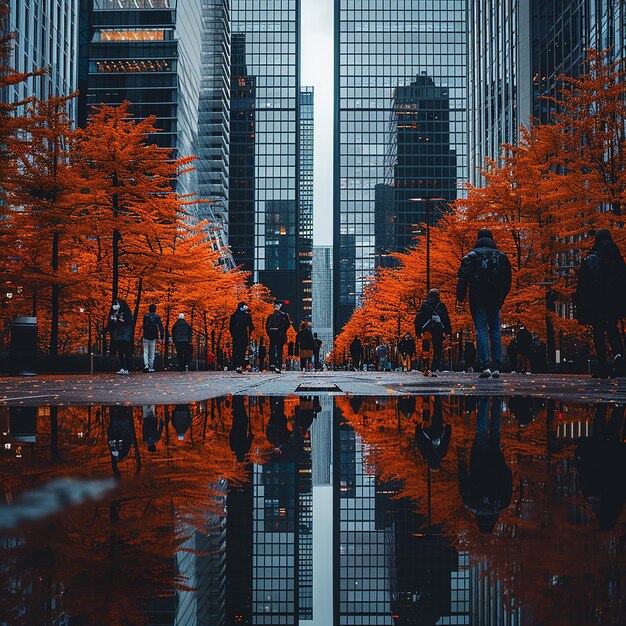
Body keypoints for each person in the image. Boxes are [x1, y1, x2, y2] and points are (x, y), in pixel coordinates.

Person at [457, 228, 512, 379]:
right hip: (495, 299)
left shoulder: (470, 257)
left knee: (481, 330)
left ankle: (484, 365)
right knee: (495, 330)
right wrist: (502, 296)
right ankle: (497, 366)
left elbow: (462, 279)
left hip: (478, 298)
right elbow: (508, 279)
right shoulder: (501, 257)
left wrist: (460, 297)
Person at [573, 228, 626, 378]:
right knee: (612, 329)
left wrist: (580, 301)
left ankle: (602, 366)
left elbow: (583, 284)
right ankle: (619, 356)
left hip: (595, 302)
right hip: (614, 303)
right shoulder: (618, 259)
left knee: (598, 332)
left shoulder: (590, 260)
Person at [458, 396, 512, 533]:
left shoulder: (501, 504)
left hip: (496, 461)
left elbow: (508, 480)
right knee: (481, 431)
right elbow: (463, 481)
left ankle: (497, 402)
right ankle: (483, 402)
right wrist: (461, 462)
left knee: (495, 433)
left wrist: (504, 467)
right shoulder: (471, 504)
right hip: (478, 462)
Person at [414, 288, 452, 374]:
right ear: (438, 296)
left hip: (427, 329)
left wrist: (418, 331)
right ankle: (434, 367)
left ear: (429, 295)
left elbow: (419, 318)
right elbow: (446, 319)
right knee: (437, 348)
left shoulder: (424, 305)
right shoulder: (441, 305)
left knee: (426, 347)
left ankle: (426, 366)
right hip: (438, 329)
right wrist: (448, 331)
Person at [415, 396, 452, 470]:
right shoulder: (425, 454)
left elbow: (446, 440)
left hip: (438, 428)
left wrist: (448, 428)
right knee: (427, 411)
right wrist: (418, 428)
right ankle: (426, 397)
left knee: (437, 410)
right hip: (427, 428)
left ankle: (436, 396)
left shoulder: (441, 453)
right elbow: (420, 441)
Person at [108, 298, 134, 375]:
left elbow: (130, 321)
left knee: (125, 350)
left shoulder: (127, 313)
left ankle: (126, 367)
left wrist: (122, 320)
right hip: (119, 332)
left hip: (125, 333)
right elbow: (112, 322)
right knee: (120, 351)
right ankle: (123, 367)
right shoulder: (116, 312)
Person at [265, 301, 292, 373]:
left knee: (273, 349)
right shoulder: (284, 315)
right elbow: (287, 324)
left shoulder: (271, 316)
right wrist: (282, 331)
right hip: (280, 335)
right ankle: (277, 365)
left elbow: (267, 326)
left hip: (273, 334)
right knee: (279, 350)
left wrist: (269, 333)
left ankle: (272, 364)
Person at [229, 301, 254, 374]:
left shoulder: (234, 316)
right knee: (241, 351)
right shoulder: (246, 316)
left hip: (237, 335)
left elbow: (230, 327)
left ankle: (237, 365)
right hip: (243, 335)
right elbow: (251, 326)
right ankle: (239, 364)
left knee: (237, 350)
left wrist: (233, 335)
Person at [230, 396, 253, 462]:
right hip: (236, 427)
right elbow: (231, 436)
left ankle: (239, 399)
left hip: (242, 427)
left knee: (241, 411)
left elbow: (249, 439)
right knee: (237, 412)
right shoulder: (233, 448)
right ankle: (236, 399)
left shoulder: (245, 449)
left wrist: (251, 435)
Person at [142, 304, 164, 373]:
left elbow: (143, 326)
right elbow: (160, 326)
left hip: (146, 336)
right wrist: (161, 336)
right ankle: (151, 366)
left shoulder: (145, 316)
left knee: (145, 351)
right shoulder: (157, 317)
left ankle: (146, 365)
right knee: (152, 352)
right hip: (153, 336)